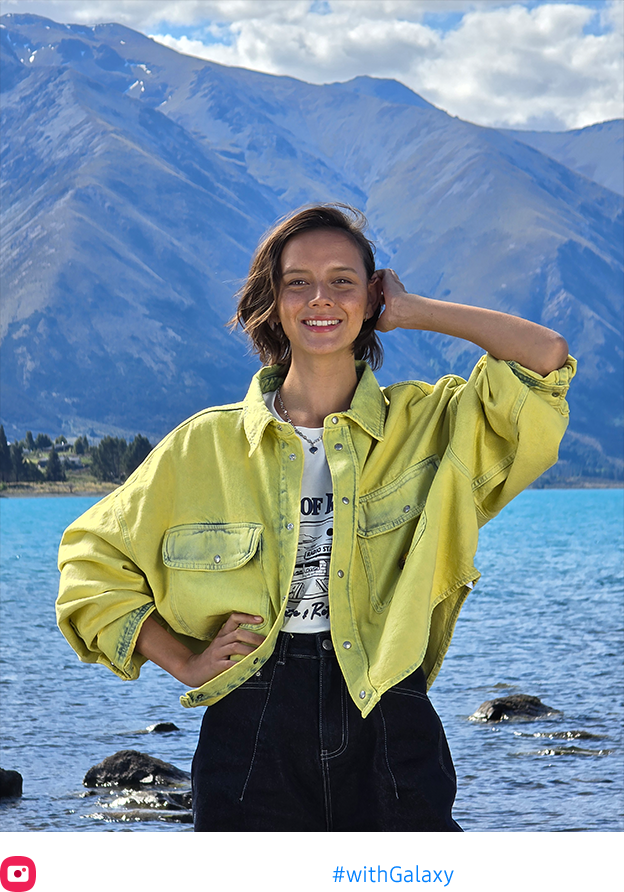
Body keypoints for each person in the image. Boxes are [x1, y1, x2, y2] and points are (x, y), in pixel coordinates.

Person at [57, 204, 575, 832]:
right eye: (297, 281)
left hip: (387, 708)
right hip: (250, 723)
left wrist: (415, 312)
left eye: (343, 281)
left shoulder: (429, 424)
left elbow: (544, 360)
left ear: (373, 295)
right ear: (272, 300)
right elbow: (90, 564)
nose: (320, 298)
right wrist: (185, 662)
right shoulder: (205, 447)